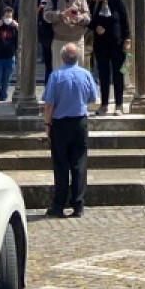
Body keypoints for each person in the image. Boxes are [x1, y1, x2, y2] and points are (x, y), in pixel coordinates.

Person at [42, 41, 99, 217]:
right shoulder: (85, 74)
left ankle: (59, 204)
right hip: (80, 122)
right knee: (79, 164)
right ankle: (78, 204)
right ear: (78, 57)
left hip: (60, 123)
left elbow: (49, 104)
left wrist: (47, 124)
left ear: (62, 57)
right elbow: (92, 98)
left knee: (60, 165)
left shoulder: (56, 76)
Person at [90, 0, 131, 115]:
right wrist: (96, 27)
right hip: (101, 45)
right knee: (103, 75)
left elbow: (125, 22)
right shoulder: (95, 3)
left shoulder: (117, 2)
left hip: (117, 44)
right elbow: (89, 20)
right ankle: (104, 104)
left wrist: (127, 39)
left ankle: (119, 104)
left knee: (118, 74)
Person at [42, 0, 91, 71]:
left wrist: (79, 17)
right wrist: (61, 14)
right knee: (58, 71)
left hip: (77, 39)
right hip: (59, 39)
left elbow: (88, 17)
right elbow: (46, 15)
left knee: (78, 71)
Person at [38, 0, 60, 84]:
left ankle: (48, 88)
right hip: (56, 33)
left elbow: (39, 13)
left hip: (45, 34)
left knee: (49, 64)